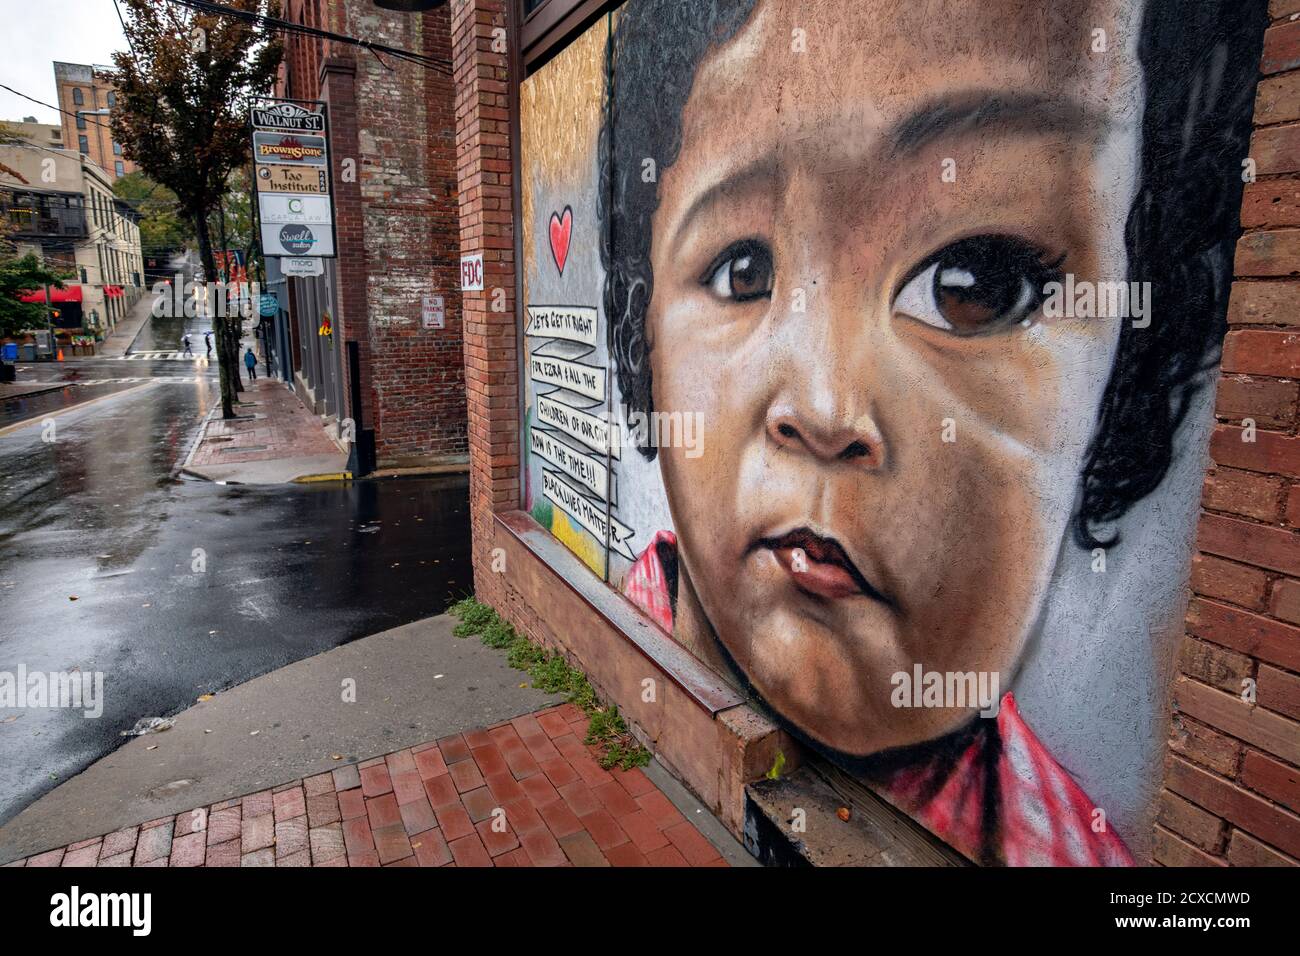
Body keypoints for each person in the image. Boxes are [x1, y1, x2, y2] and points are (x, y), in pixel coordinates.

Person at [595, 0, 1263, 865]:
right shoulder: (614, 625)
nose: (828, 409)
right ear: (642, 324)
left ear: (1128, 368)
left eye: (976, 281)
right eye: (745, 270)